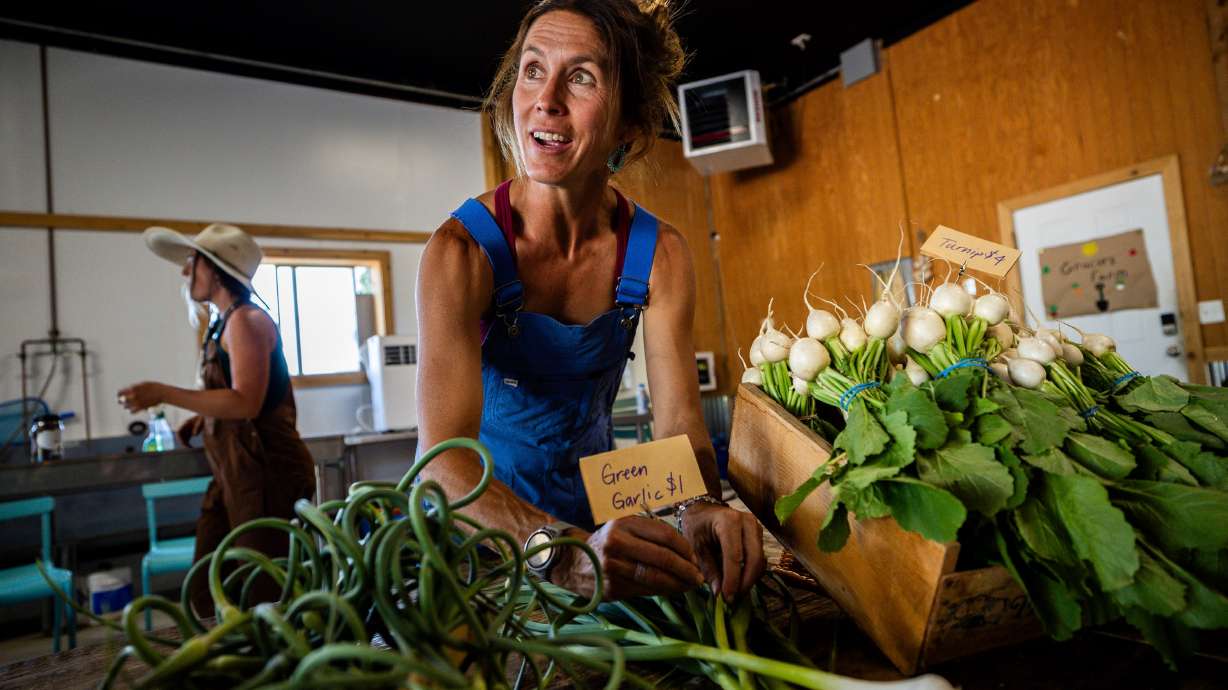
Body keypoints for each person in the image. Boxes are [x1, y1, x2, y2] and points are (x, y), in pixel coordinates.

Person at [416, 0, 765, 602]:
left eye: (581, 77)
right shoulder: (461, 253)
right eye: (532, 70)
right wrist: (558, 552)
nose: (545, 99)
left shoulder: (659, 255)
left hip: (595, 523)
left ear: (628, 125)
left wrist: (700, 504)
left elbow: (679, 423)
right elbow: (440, 462)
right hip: (480, 537)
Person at [118, 223, 315, 613]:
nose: (184, 271)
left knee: (265, 593)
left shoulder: (247, 321)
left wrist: (163, 393)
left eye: (192, 261)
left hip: (267, 477)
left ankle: (281, 668)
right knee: (207, 589)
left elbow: (246, 403)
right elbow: (235, 401)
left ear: (216, 268)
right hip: (235, 477)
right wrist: (206, 420)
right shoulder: (222, 325)